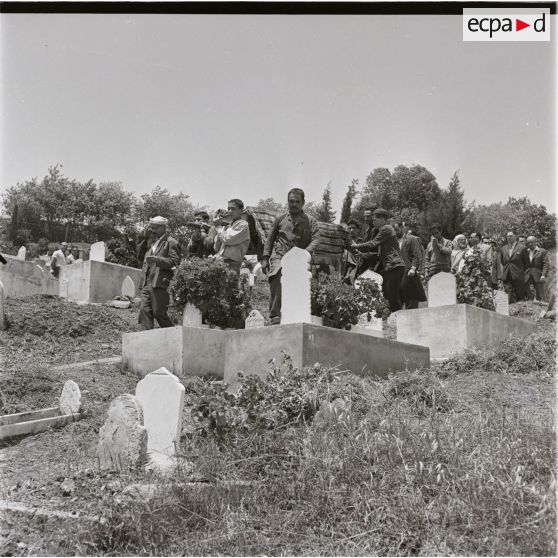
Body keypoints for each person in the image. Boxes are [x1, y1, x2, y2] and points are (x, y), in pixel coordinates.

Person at [262, 188, 320, 325]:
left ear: (303, 202)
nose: (293, 204)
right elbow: (270, 239)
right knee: (277, 275)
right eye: (291, 201)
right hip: (280, 256)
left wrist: (304, 254)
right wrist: (265, 257)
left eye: (297, 201)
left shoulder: (311, 221)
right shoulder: (280, 219)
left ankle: (294, 314)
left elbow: (316, 239)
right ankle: (275, 315)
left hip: (300, 258)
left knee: (299, 284)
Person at [351, 208, 405, 312]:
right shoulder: (384, 230)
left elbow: (372, 244)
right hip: (391, 266)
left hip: (394, 265)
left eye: (375, 219)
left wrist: (356, 246)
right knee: (387, 292)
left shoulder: (386, 229)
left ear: (382, 219)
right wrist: (362, 254)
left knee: (392, 295)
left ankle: (397, 317)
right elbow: (378, 254)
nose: (373, 221)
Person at [137, 216, 181, 330]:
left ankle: (173, 335)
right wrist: (142, 237)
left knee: (159, 313)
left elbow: (175, 262)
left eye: (155, 227)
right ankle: (146, 338)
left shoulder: (171, 242)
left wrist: (158, 260)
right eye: (151, 227)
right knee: (144, 311)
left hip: (159, 283)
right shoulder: (151, 241)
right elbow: (139, 256)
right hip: (147, 282)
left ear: (163, 227)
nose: (152, 230)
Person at [214, 199, 250, 276]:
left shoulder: (243, 225)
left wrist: (218, 227)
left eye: (233, 209)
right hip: (220, 261)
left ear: (241, 211)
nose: (230, 211)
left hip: (232, 264)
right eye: (228, 208)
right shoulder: (227, 226)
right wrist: (221, 227)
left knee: (231, 287)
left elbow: (228, 239)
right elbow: (216, 248)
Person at [394, 222, 426, 309]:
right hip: (398, 276)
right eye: (394, 230)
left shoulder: (412, 239)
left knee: (411, 304)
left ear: (402, 228)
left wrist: (413, 268)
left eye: (397, 230)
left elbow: (417, 254)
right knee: (397, 305)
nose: (395, 232)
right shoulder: (393, 241)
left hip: (409, 274)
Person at [499, 230, 530, 302]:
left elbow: (527, 264)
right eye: (507, 236)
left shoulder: (522, 248)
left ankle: (521, 312)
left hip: (518, 276)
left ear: (515, 237)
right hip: (507, 276)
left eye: (510, 236)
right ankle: (508, 312)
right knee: (507, 296)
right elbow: (502, 262)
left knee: (520, 297)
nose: (508, 238)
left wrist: (522, 274)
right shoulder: (503, 249)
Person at [356, 206, 379, 275]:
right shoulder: (366, 229)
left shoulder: (377, 230)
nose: (366, 219)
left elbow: (377, 252)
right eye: (365, 216)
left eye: (368, 216)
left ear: (374, 216)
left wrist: (363, 255)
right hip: (363, 264)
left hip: (372, 266)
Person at [525, 235, 549, 301]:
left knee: (540, 295)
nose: (530, 244)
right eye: (528, 242)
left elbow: (546, 264)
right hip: (527, 276)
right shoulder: (525, 252)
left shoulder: (542, 251)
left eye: (531, 242)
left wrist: (543, 275)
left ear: (536, 242)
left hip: (538, 276)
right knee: (529, 295)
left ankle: (543, 309)